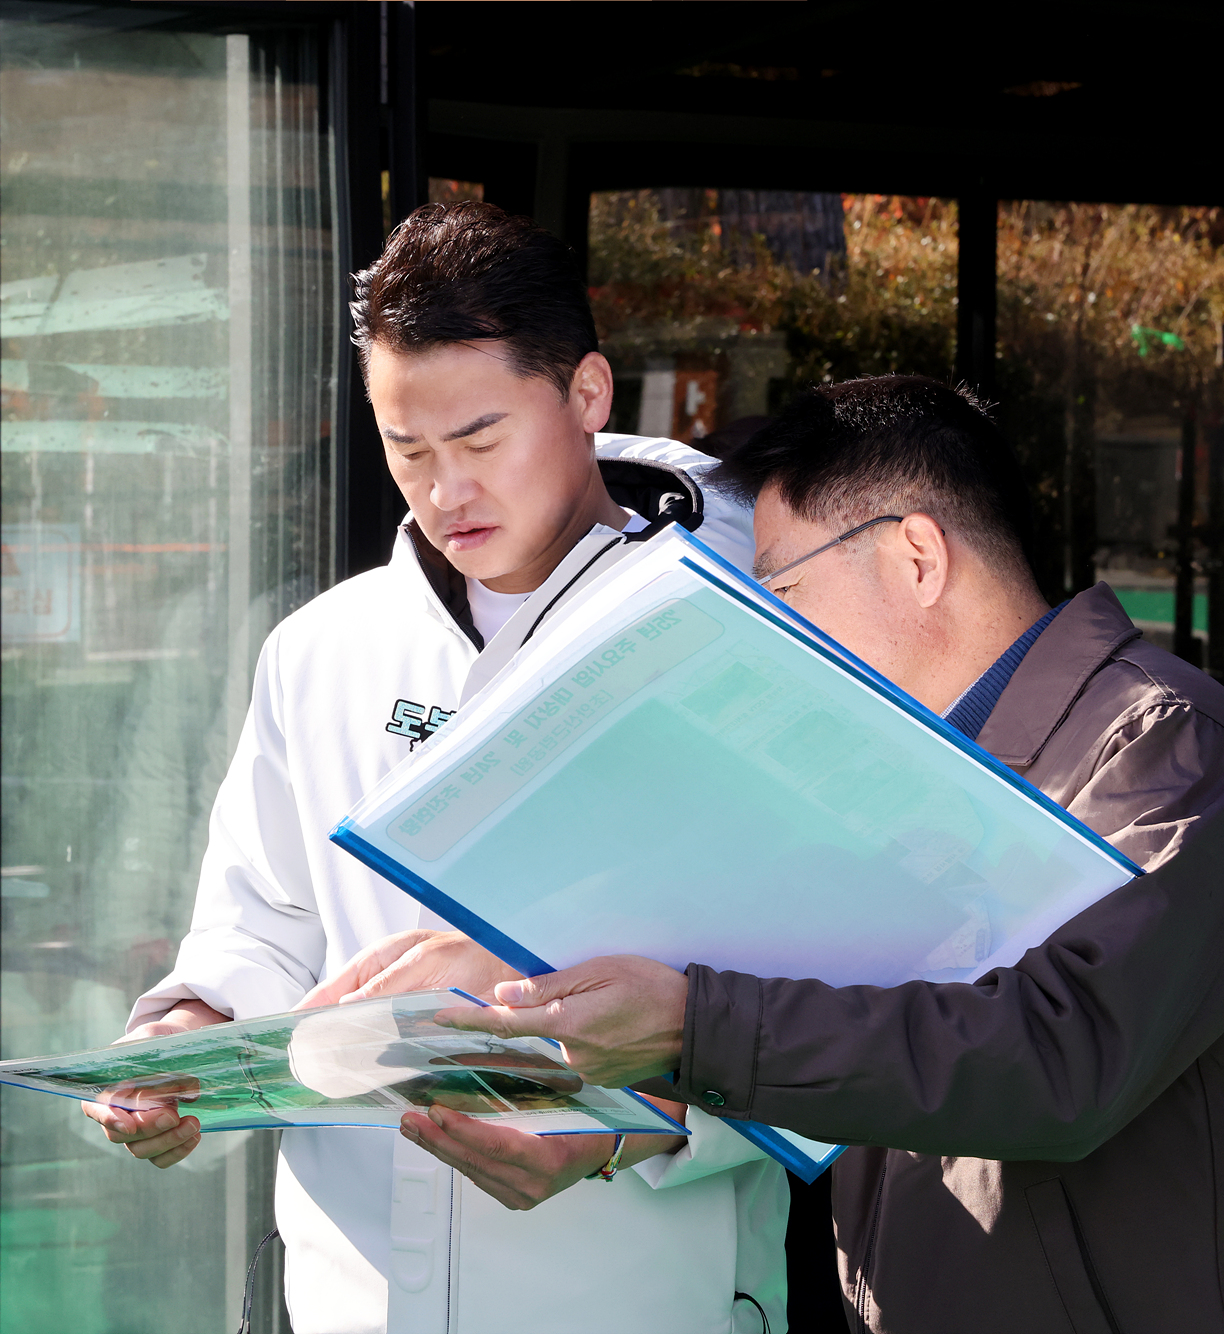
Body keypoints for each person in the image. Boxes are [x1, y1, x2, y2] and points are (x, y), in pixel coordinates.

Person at [384, 376, 1224, 1332]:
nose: (773, 638)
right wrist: (597, 1091)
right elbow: (840, 1048)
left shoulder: (1166, 744)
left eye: (784, 591)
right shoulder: (896, 782)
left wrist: (693, 1025)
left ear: (918, 555)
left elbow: (1059, 1054)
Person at [82, 201, 790, 1334]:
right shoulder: (319, 647)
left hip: (643, 1290)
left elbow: (825, 985)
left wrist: (617, 1130)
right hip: (349, 1292)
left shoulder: (741, 641)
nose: (442, 490)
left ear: (588, 395)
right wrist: (185, 1037)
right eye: (405, 448)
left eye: (477, 440)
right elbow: (262, 921)